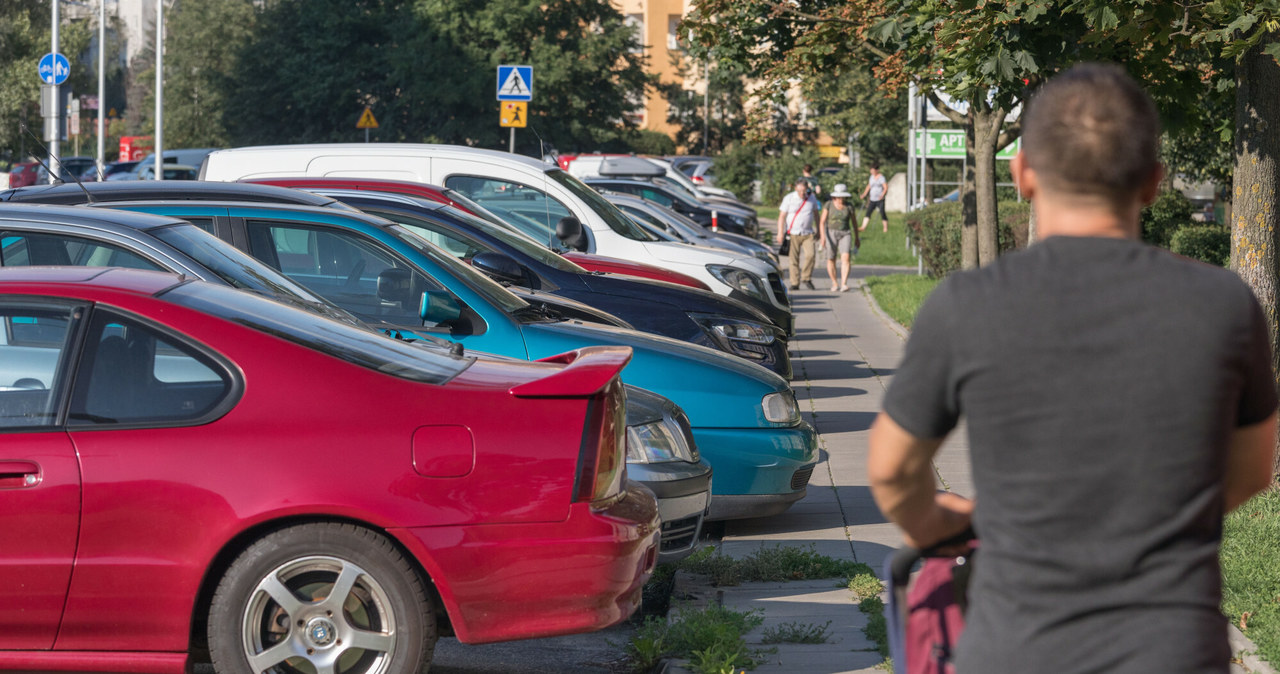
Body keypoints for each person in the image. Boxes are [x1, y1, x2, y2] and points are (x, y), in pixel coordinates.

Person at [867, 63, 1277, 674]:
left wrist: (942, 521)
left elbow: (892, 471)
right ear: (1154, 182)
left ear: (1023, 173)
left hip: (1014, 650)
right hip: (1173, 649)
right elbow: (1252, 470)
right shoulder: (1225, 306)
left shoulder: (967, 305)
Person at [776, 177, 821, 289]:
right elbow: (782, 217)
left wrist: (819, 230)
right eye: (800, 191)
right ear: (795, 189)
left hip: (808, 233)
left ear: (807, 189)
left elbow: (816, 215)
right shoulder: (789, 198)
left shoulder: (812, 198)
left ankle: (806, 278)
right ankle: (795, 282)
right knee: (793, 259)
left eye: (804, 191)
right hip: (793, 233)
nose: (802, 193)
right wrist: (780, 233)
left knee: (811, 255)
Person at [818, 183, 858, 292]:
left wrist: (857, 238)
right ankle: (834, 282)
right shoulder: (829, 205)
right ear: (834, 196)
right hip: (831, 233)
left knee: (846, 258)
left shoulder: (849, 206)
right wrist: (823, 237)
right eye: (839, 197)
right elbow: (822, 222)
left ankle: (844, 283)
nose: (841, 199)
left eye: (843, 197)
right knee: (831, 258)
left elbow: (854, 223)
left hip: (845, 233)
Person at [858, 163, 889, 233]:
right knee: (868, 212)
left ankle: (885, 228)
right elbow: (869, 186)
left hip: (880, 199)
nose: (871, 171)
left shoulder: (881, 178)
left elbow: (885, 187)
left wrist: (882, 195)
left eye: (873, 170)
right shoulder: (871, 177)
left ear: (877, 170)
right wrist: (864, 194)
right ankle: (863, 227)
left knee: (882, 213)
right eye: (871, 170)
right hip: (872, 199)